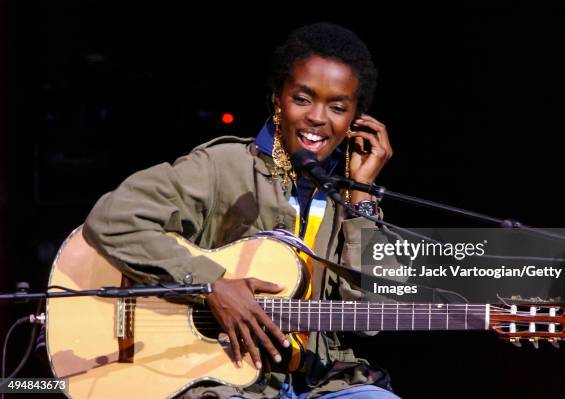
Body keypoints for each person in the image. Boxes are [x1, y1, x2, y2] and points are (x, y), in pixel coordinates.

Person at [83, 22, 396, 399]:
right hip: (222, 381)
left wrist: (362, 199)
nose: (317, 117)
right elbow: (113, 219)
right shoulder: (222, 166)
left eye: (338, 107)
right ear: (277, 99)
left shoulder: (346, 196)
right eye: (302, 99)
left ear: (355, 121)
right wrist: (210, 283)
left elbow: (374, 317)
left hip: (318, 384)